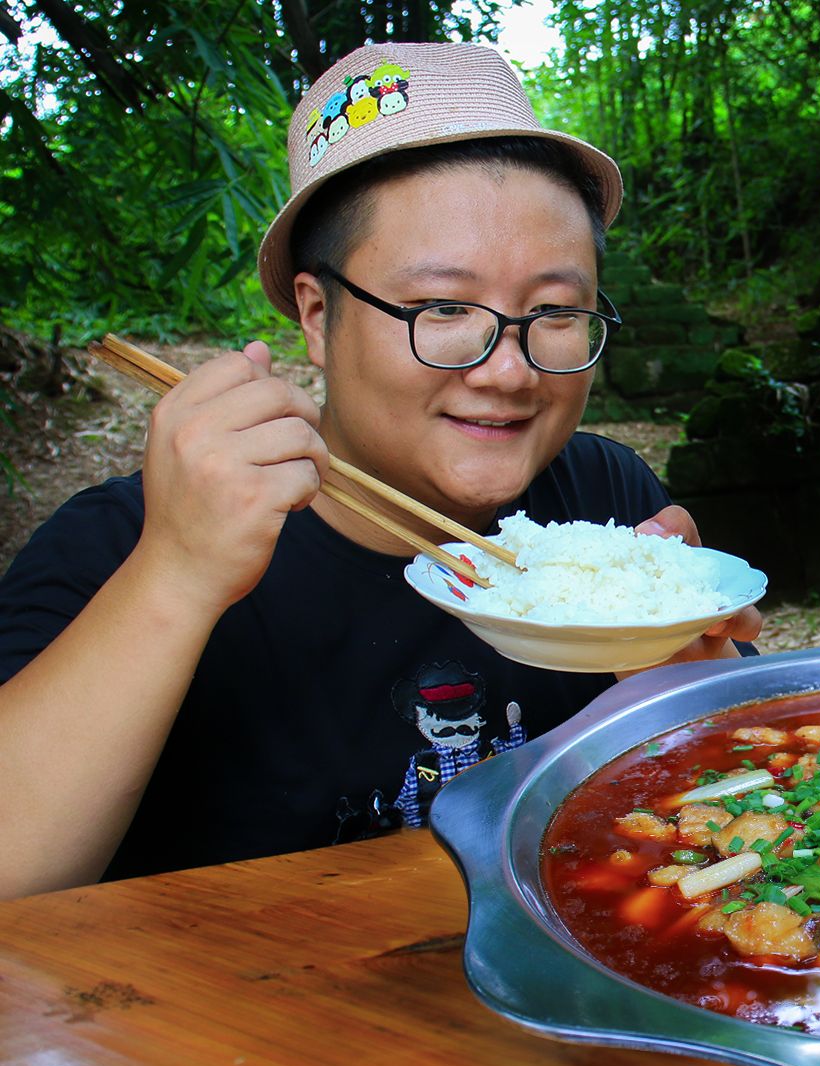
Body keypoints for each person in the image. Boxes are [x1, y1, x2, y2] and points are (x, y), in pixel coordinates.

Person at [0, 42, 759, 899]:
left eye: (554, 312)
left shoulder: (609, 502)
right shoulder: (123, 544)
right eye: (441, 308)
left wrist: (684, 686)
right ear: (317, 317)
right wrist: (177, 576)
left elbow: (723, 836)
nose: (507, 370)